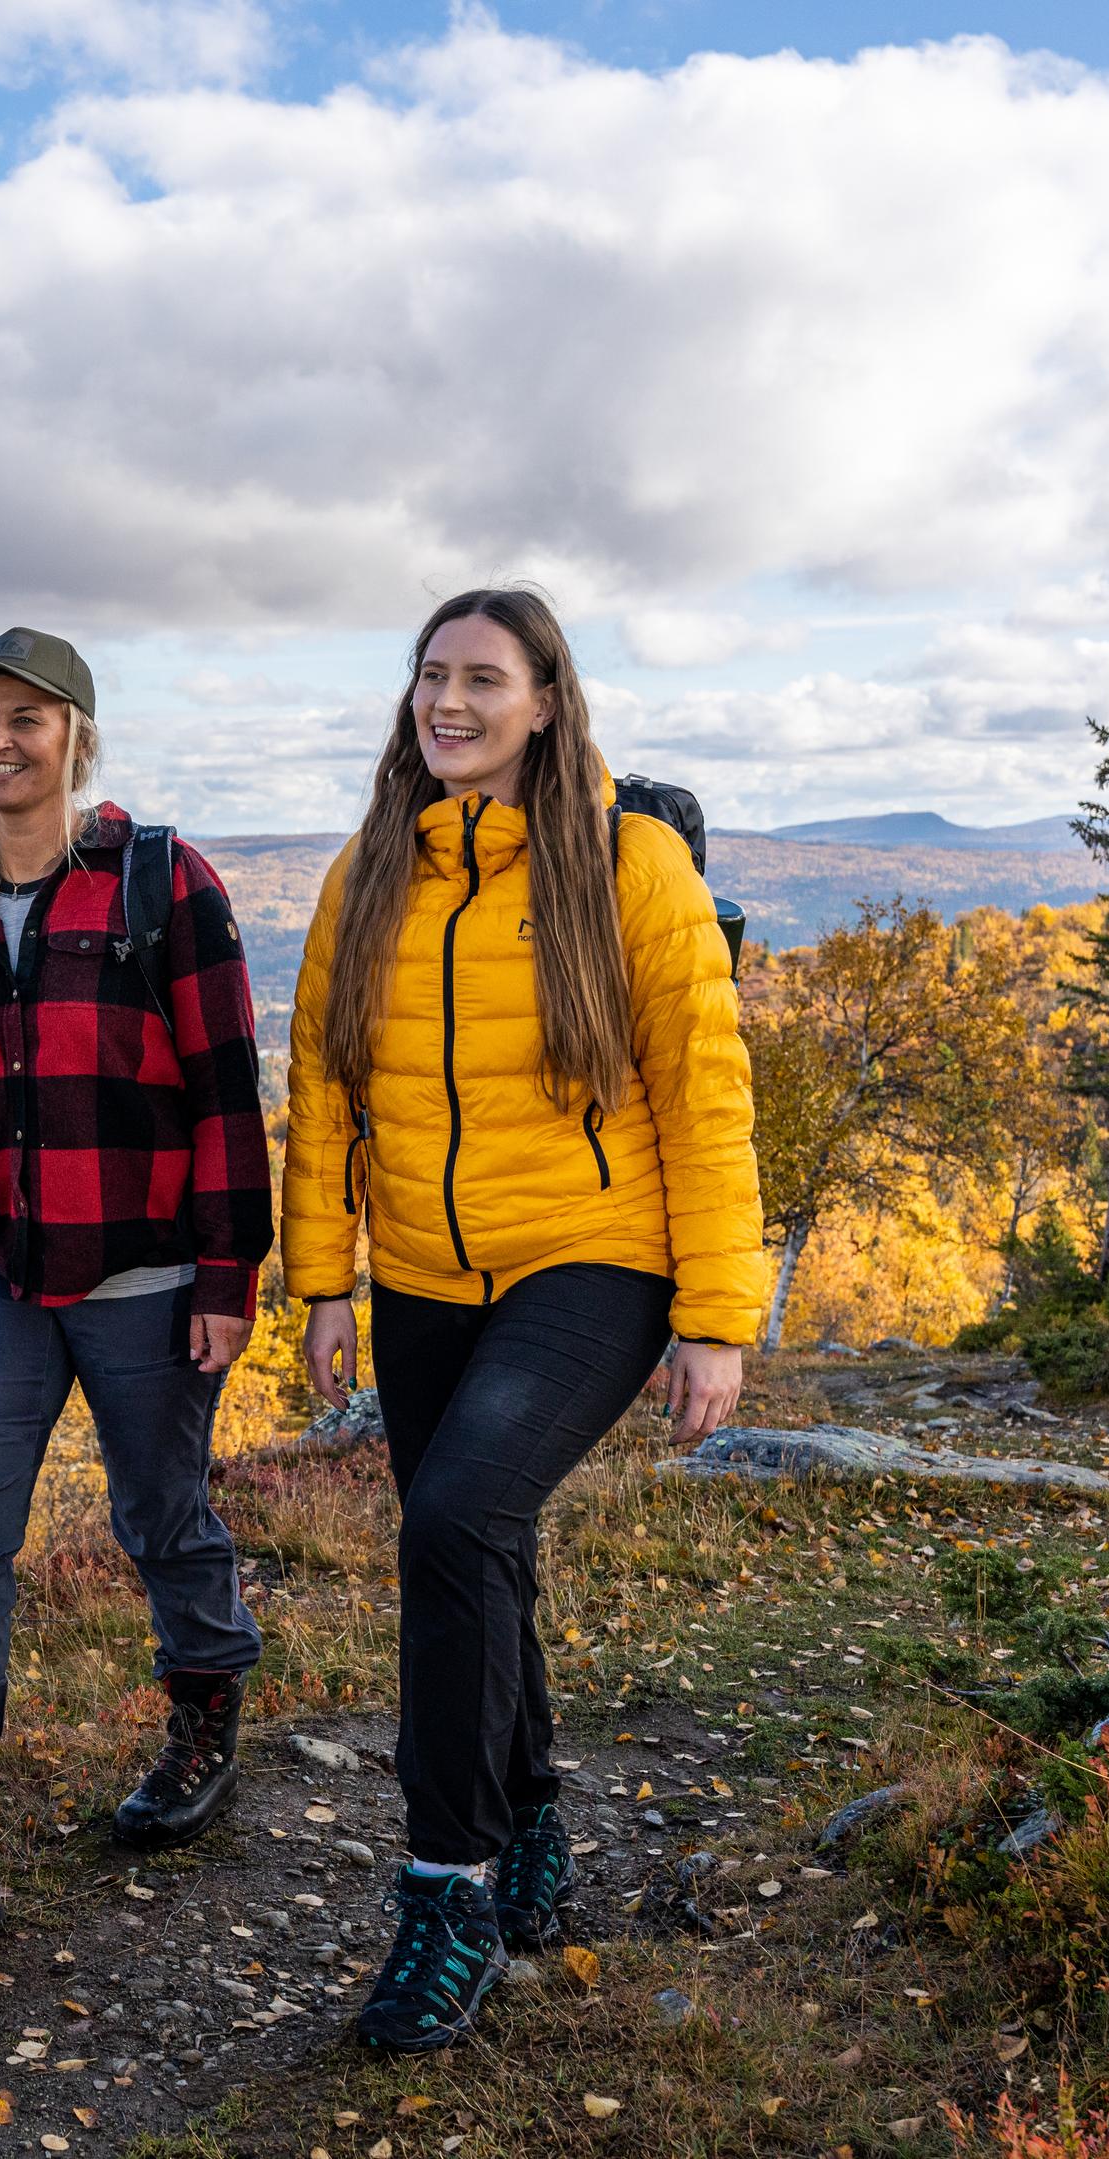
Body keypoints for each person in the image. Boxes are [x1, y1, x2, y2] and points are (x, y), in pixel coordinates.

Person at [281, 587, 762, 2052]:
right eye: (434, 676)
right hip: (425, 1273)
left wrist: (716, 1314)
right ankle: (536, 1825)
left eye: (485, 679)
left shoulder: (631, 865)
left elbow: (704, 1086)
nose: (451, 702)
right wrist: (321, 1283)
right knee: (476, 1541)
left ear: (548, 702)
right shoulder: (374, 869)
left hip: (594, 1261)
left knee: (455, 1520)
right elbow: (319, 1087)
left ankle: (450, 1893)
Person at [0, 626, 277, 1963]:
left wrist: (226, 1274)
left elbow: (225, 1095)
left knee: (161, 1514)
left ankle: (206, 1709)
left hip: (146, 1275)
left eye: (27, 718)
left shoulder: (160, 881)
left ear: (77, 737)